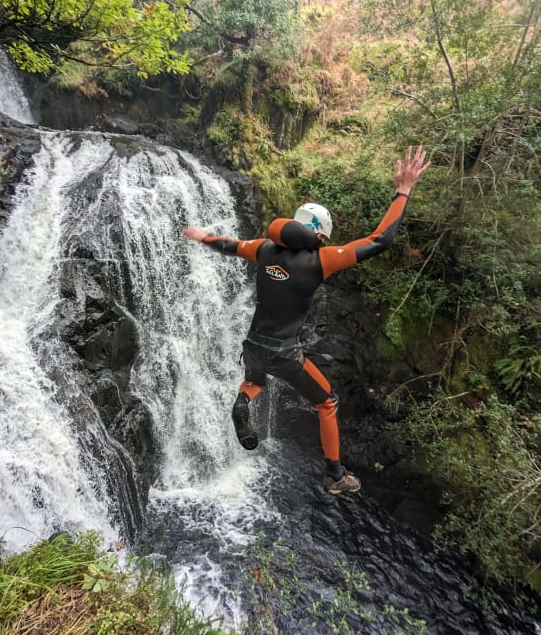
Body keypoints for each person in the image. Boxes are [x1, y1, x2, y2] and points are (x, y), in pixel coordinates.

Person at [182, 145, 430, 494]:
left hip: (253, 346)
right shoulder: (322, 260)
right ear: (319, 235)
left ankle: (242, 404)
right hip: (284, 353)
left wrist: (202, 237)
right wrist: (402, 191)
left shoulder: (263, 249)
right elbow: (380, 240)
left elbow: (230, 245)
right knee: (327, 402)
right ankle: (336, 475)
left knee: (255, 383)